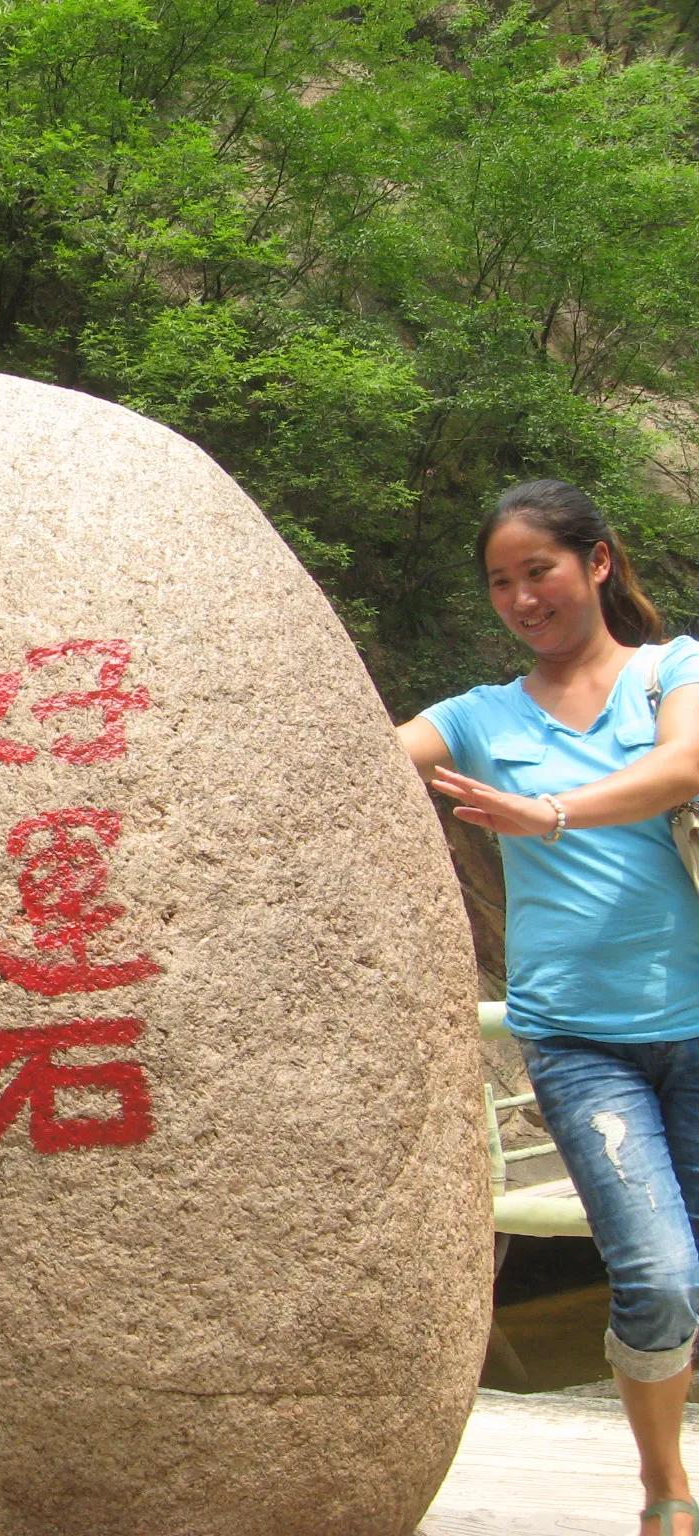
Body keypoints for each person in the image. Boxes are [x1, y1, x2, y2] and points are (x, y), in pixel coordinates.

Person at [396, 479, 699, 1536]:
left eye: (540, 571)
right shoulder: (479, 718)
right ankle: (664, 1492)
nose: (522, 597)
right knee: (657, 1276)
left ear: (597, 562)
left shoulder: (671, 671)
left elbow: (684, 766)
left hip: (696, 1024)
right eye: (499, 583)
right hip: (579, 1044)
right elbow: (362, 764)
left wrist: (548, 813)